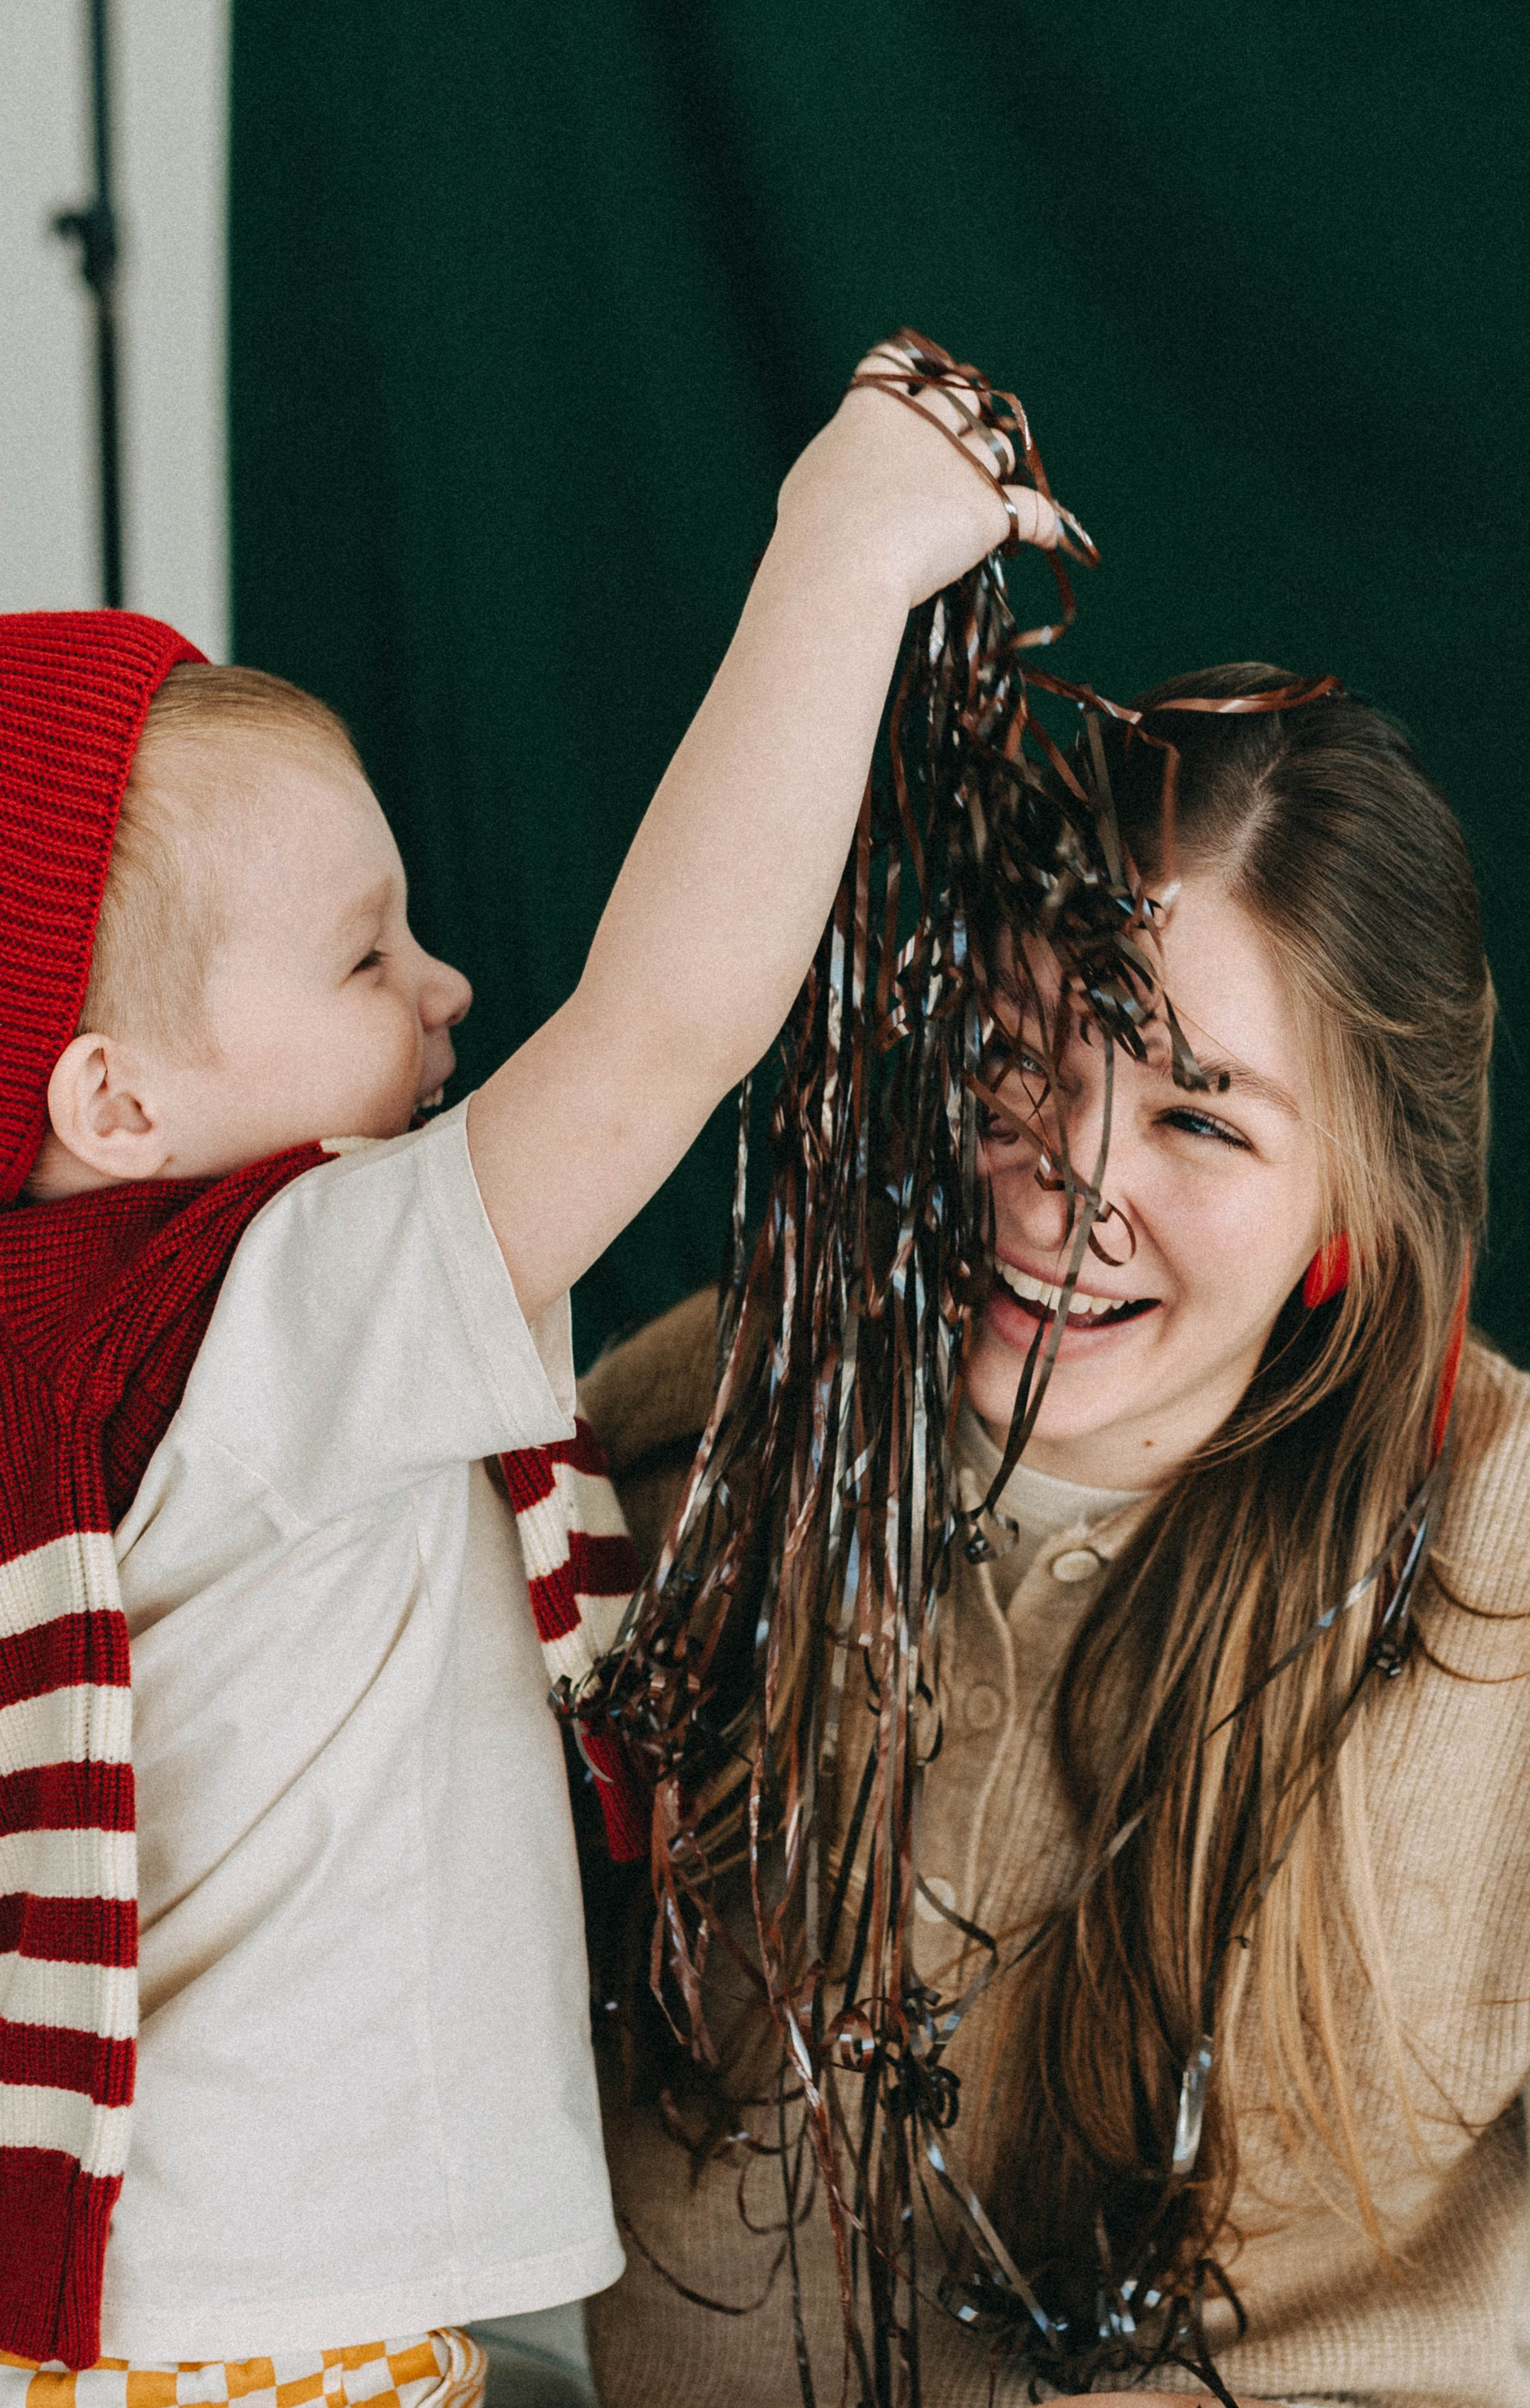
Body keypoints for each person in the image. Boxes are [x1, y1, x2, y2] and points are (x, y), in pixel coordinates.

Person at [0, 348, 1059, 2396]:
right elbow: (663, 1025)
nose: (448, 987)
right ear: (119, 1103)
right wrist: (833, 566)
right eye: (365, 955)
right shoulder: (255, 1305)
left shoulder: (66, 1365)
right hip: (258, 2346)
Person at [579, 671, 1530, 2405]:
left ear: (1356, 1204)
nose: (1068, 1171)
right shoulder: (706, 1432)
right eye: (1017, 1056)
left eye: (1201, 1118)